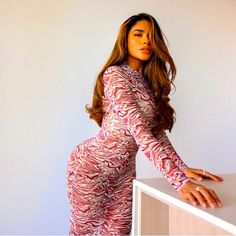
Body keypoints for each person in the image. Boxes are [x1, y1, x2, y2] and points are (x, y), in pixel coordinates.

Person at [66, 13, 223, 235]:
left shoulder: (148, 83)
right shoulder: (114, 75)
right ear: (125, 39)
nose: (146, 41)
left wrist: (183, 168)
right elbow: (140, 132)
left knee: (119, 231)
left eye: (150, 37)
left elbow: (156, 133)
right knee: (84, 232)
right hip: (91, 167)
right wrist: (179, 182)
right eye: (138, 35)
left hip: (124, 172)